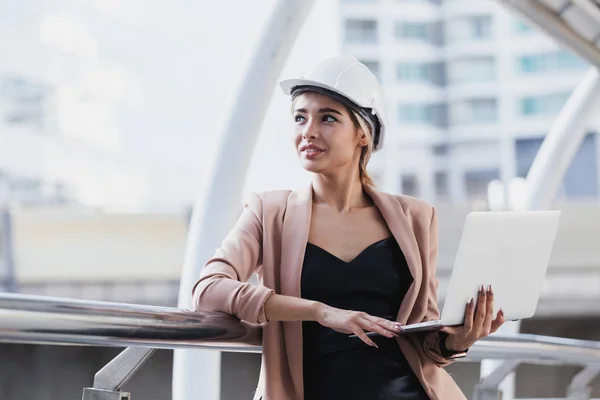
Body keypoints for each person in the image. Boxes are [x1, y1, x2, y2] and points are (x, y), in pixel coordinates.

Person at [192, 56, 505, 400]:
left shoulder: (415, 217)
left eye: (327, 118)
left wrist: (457, 341)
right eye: (300, 117)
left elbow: (422, 337)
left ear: (362, 134)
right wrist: (319, 311)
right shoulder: (269, 212)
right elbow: (207, 290)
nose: (308, 131)